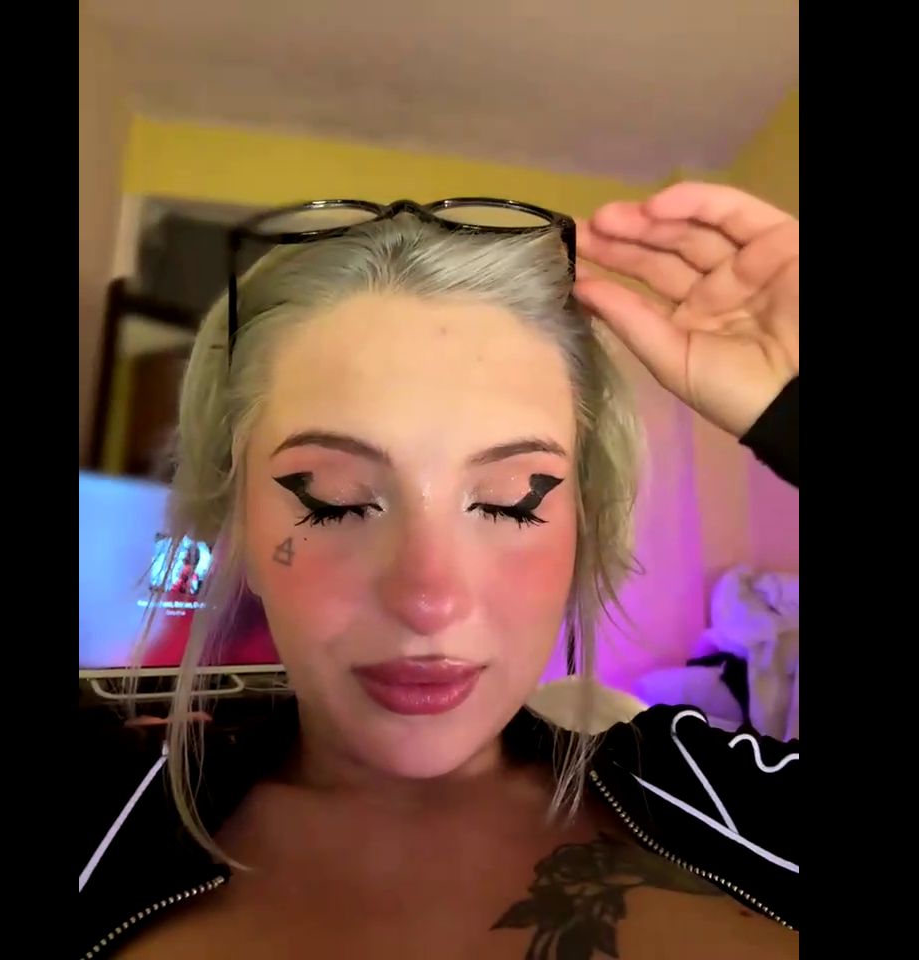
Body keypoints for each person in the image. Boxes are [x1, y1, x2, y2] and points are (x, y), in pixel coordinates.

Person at [78, 182, 799, 960]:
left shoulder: (720, 799)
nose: (429, 599)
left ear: (584, 520)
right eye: (333, 501)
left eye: (512, 501)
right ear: (237, 520)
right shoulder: (100, 812)